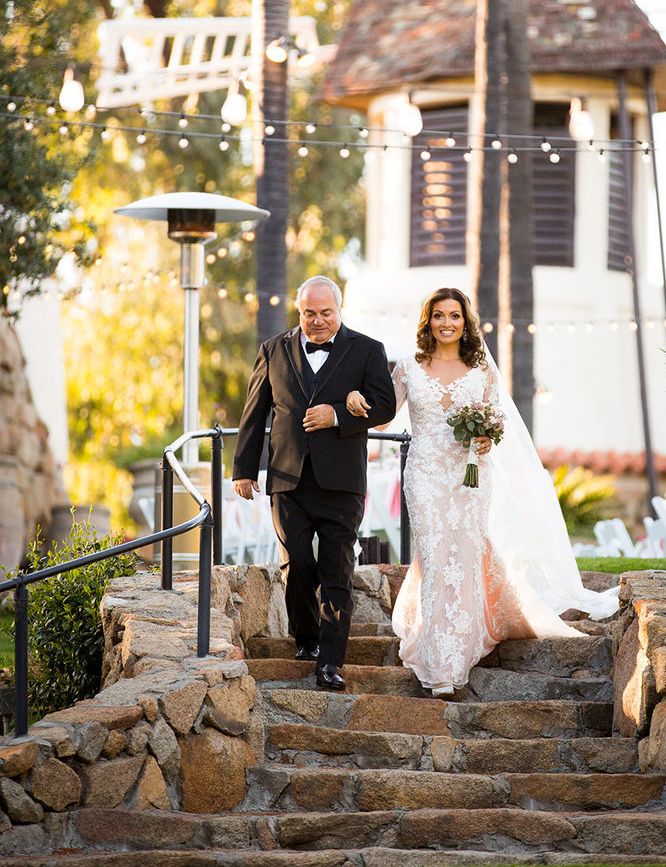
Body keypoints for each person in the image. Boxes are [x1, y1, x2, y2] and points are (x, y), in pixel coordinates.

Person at [347, 286, 619, 698]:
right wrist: (353, 399)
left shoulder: (482, 371)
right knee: (437, 557)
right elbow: (384, 418)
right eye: (438, 315)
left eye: (454, 315)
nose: (446, 323)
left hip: (470, 476)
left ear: (465, 321)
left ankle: (457, 649)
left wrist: (487, 438)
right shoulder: (408, 367)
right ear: (428, 321)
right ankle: (442, 663)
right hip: (424, 474)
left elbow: (497, 422)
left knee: (464, 553)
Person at [232, 275, 395, 692]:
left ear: (339, 310)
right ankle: (305, 639)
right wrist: (244, 468)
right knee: (298, 563)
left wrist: (339, 414)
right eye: (310, 313)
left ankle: (330, 662)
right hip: (287, 478)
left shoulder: (367, 350)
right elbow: (255, 413)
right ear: (298, 311)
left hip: (341, 480)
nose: (318, 321)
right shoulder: (273, 350)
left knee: (337, 567)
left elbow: (386, 406)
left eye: (326, 313)